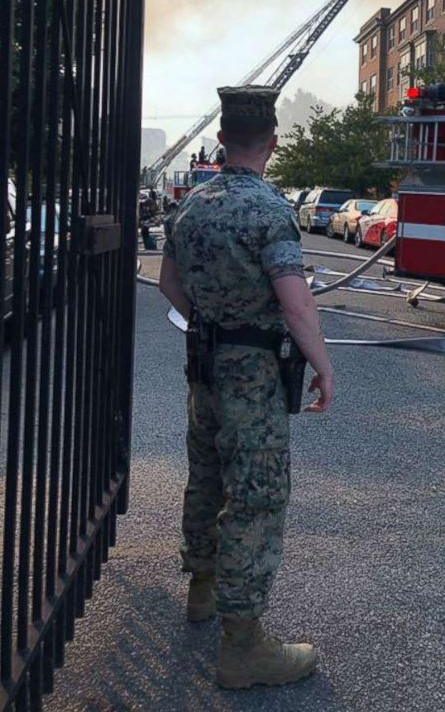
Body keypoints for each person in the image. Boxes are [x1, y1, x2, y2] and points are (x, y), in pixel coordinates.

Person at [159, 86, 334, 690]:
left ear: (223, 138)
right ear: (274, 144)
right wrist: (323, 365)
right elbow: (296, 302)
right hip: (253, 374)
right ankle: (242, 647)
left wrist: (211, 318)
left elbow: (167, 285)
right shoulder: (268, 209)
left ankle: (201, 592)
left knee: (205, 475)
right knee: (256, 496)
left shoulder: (191, 205)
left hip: (203, 366)